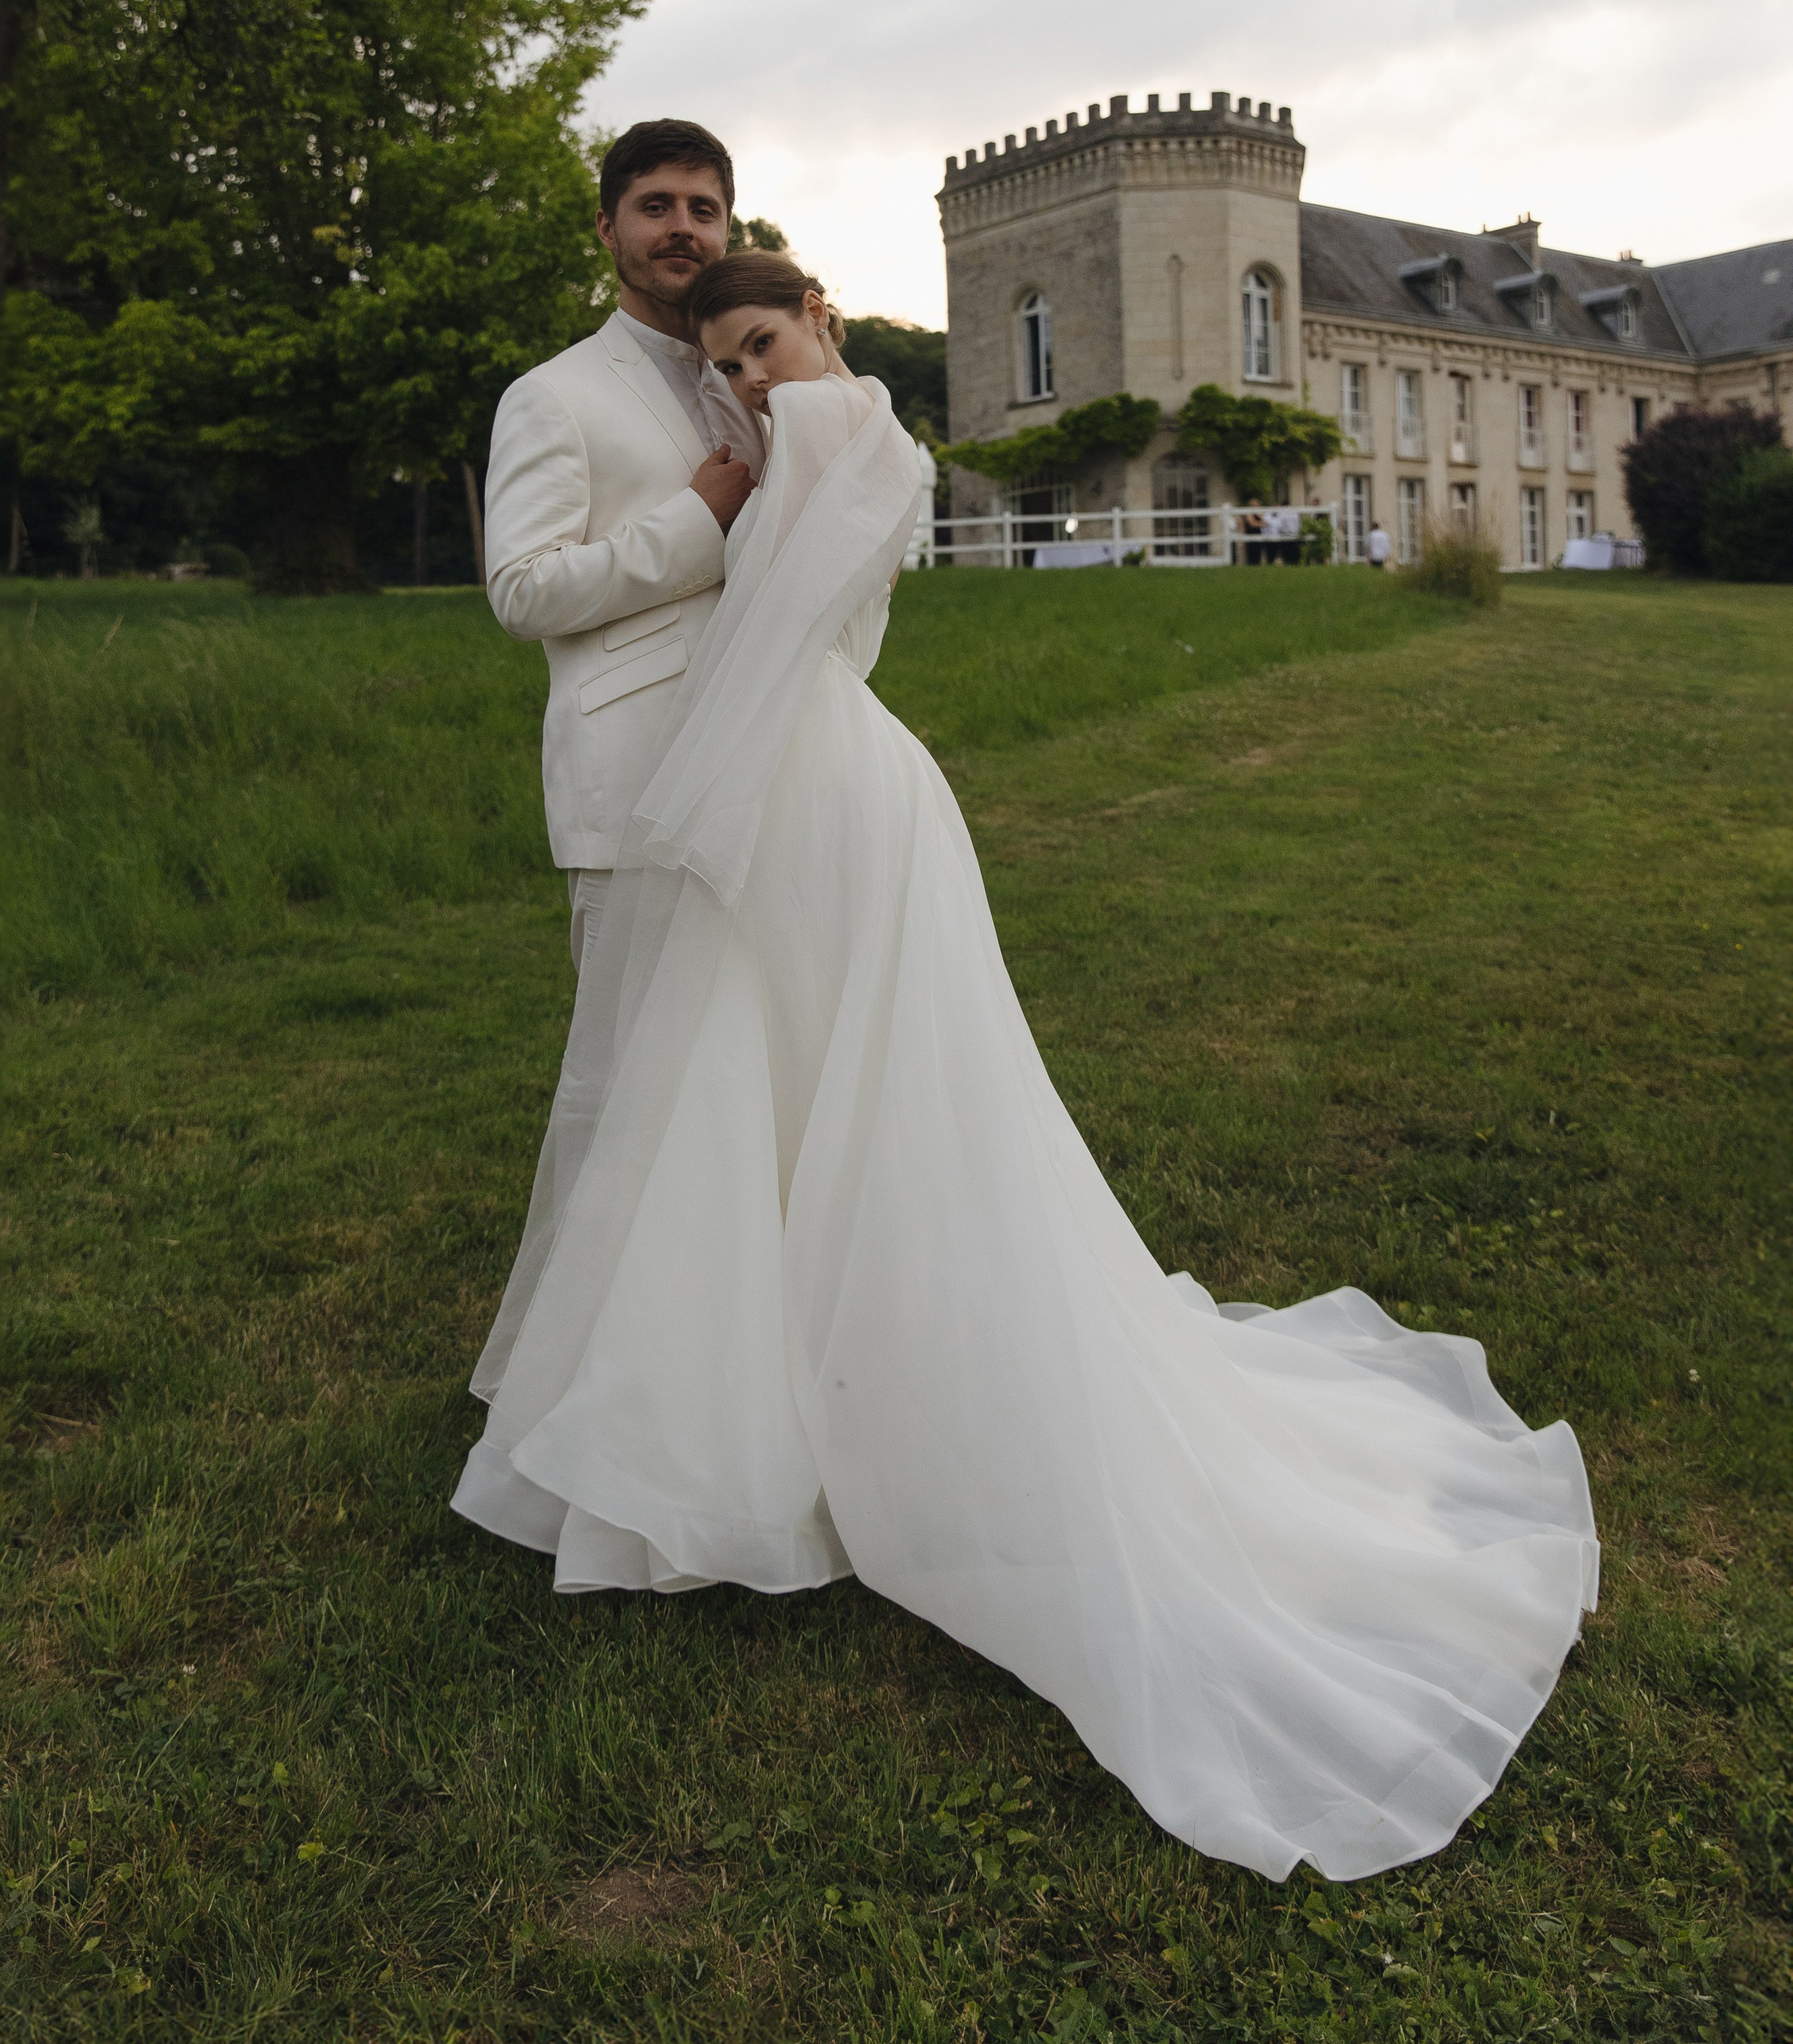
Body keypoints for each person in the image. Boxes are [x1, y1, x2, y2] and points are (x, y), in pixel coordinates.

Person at [453, 250, 1598, 1884]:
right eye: (727, 358)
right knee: (758, 1092)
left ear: (822, 323)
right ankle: (757, 1397)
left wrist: (696, 740)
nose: (752, 376)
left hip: (816, 788)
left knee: (868, 1097)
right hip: (793, 787)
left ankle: (864, 1396)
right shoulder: (792, 434)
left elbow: (779, 634)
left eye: (767, 340)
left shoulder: (848, 429)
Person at [480, 118, 764, 973]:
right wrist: (695, 523)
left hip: (768, 774)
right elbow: (521, 591)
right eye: (655, 206)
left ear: (726, 230)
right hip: (634, 786)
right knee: (627, 1072)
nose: (683, 225)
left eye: (703, 208)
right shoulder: (551, 396)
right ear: (609, 228)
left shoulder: (762, 383)